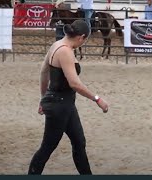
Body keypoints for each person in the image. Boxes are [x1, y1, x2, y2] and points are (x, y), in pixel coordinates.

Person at [28, 20, 109, 175]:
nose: (83, 43)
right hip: (60, 105)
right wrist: (97, 99)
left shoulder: (56, 45)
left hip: (64, 104)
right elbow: (74, 83)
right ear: (81, 37)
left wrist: (43, 98)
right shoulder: (65, 51)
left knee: (79, 142)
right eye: (85, 40)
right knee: (47, 147)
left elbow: (43, 72)